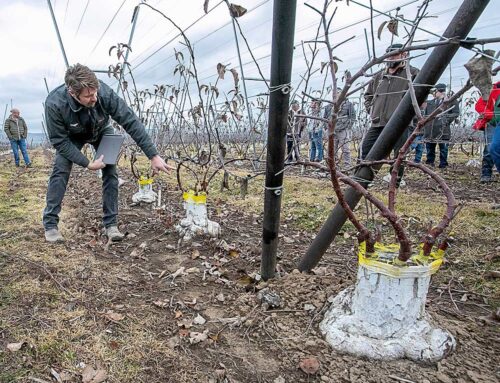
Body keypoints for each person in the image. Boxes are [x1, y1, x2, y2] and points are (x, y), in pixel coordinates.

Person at [43, 63, 172, 243]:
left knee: (110, 171)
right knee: (60, 169)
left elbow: (130, 121)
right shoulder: (54, 103)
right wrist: (87, 163)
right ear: (72, 93)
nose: (94, 98)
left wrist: (153, 155)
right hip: (72, 137)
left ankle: (111, 225)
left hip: (101, 130)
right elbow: (59, 141)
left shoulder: (104, 93)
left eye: (95, 92)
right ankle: (50, 225)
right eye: (88, 96)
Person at [362, 43, 419, 186]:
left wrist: (405, 115)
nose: (390, 58)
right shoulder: (379, 76)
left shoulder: (412, 74)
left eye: (394, 54)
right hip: (378, 121)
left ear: (404, 55)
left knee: (399, 155)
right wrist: (371, 109)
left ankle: (395, 182)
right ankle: (363, 180)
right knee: (367, 148)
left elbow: (419, 97)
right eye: (388, 54)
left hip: (400, 123)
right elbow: (368, 95)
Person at [422, 83, 460, 169]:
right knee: (430, 148)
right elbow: (426, 115)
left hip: (443, 129)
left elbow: (456, 113)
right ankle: (429, 164)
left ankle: (443, 165)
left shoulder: (451, 102)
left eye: (434, 91)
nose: (433, 94)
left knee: (443, 149)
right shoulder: (430, 103)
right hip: (430, 130)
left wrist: (445, 120)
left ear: (440, 91)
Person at [324, 89, 356, 168]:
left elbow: (352, 116)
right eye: (334, 93)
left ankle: (347, 165)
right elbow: (325, 118)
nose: (335, 94)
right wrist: (327, 127)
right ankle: (332, 166)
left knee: (346, 149)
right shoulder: (328, 106)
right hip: (332, 130)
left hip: (343, 130)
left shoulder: (348, 104)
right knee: (331, 149)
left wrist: (348, 126)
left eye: (338, 93)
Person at [475, 81, 500, 182]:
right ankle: (486, 173)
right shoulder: (493, 89)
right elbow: (479, 105)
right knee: (490, 148)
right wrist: (492, 115)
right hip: (492, 123)